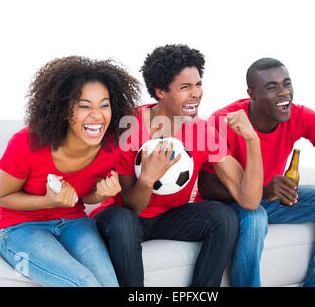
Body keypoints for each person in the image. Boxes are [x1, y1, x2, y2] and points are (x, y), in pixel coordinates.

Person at [91, 44, 264, 287]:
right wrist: (148, 180)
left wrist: (251, 139)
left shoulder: (204, 132)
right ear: (161, 91)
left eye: (198, 84)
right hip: (126, 217)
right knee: (123, 222)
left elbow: (249, 200)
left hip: (172, 217)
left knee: (224, 217)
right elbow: (132, 206)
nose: (196, 94)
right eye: (185, 87)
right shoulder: (130, 126)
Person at [198, 57, 315, 287]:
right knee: (256, 216)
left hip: (267, 198)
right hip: (229, 204)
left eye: (287, 83)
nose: (284, 92)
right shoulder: (224, 121)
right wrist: (260, 192)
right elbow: (206, 187)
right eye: (272, 87)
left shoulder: (297, 115)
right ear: (251, 94)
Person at [0, 56, 140, 286]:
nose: (97, 115)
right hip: (21, 228)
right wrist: (48, 201)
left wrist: (100, 195)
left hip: (74, 222)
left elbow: (82, 198)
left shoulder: (111, 146)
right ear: (63, 110)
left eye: (104, 104)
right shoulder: (26, 142)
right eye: (84, 106)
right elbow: (4, 198)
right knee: (84, 282)